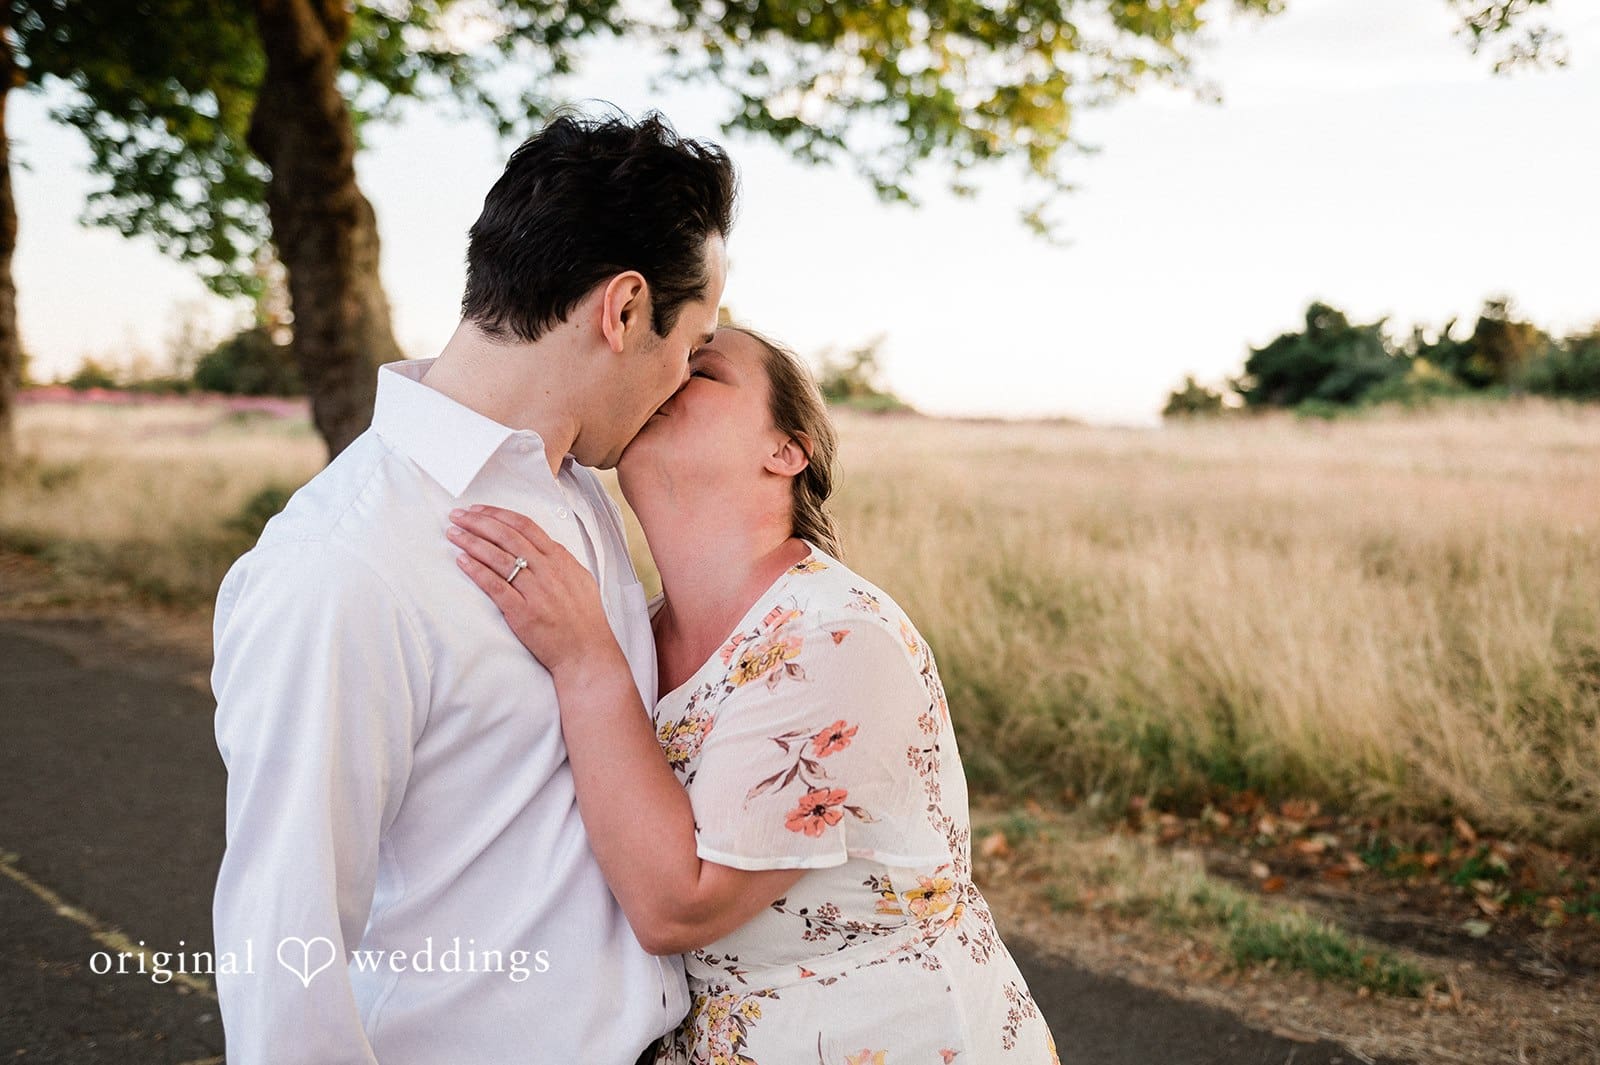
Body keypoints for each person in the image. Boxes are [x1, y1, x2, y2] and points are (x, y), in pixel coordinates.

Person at [209, 112, 735, 1064]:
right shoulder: (343, 566)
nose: (683, 378)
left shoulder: (577, 487)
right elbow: (283, 950)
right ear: (622, 310)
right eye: (689, 343)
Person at [447, 326, 1061, 1062]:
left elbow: (679, 906)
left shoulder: (838, 637)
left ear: (786, 451)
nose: (665, 372)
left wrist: (584, 660)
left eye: (700, 368)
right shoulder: (637, 634)